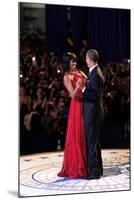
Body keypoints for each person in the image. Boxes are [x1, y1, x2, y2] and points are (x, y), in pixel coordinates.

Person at [58, 52, 88, 178]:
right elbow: (72, 95)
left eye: (75, 61)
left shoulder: (80, 72)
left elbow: (89, 82)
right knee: (76, 135)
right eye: (72, 62)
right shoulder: (66, 76)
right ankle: (77, 167)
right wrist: (77, 87)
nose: (75, 63)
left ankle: (87, 164)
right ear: (67, 64)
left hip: (86, 104)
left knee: (85, 134)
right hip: (76, 107)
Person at [82, 49, 104, 179]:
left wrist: (82, 88)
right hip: (94, 113)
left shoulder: (95, 74)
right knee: (95, 142)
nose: (85, 60)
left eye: (86, 58)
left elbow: (94, 96)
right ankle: (99, 169)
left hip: (92, 114)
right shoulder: (95, 72)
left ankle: (94, 172)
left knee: (91, 143)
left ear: (90, 59)